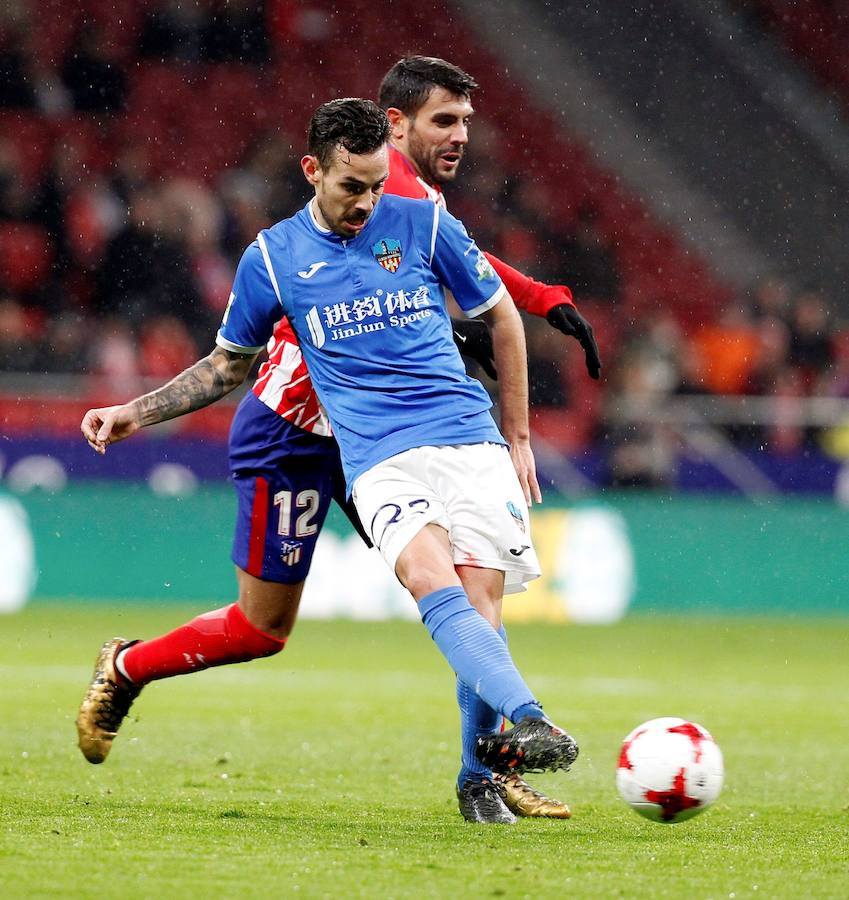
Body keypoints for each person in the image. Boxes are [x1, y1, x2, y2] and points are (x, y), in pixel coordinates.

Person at [77, 58, 599, 822]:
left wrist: (522, 313)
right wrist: (139, 410)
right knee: (262, 628)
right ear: (396, 128)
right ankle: (127, 667)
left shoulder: (413, 212)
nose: (457, 138)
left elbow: (472, 287)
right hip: (292, 434)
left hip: (391, 440)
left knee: (465, 589)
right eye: (444, 122)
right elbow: (233, 359)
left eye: (463, 123)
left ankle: (485, 772)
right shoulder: (286, 251)